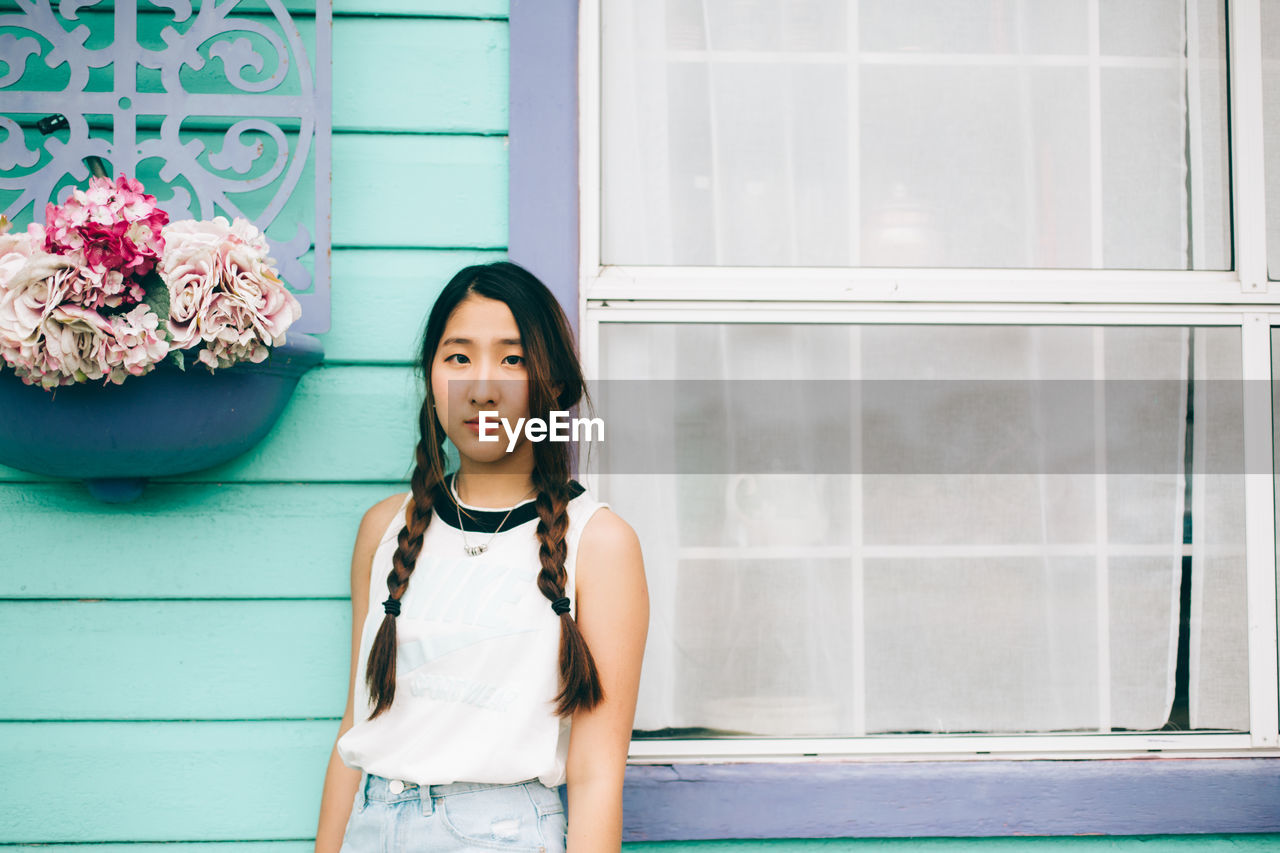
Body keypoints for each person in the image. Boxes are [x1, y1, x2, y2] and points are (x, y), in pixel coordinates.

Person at [313, 261, 648, 852]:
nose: (481, 385)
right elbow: (356, 727)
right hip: (372, 824)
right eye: (458, 357)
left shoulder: (599, 543)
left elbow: (597, 777)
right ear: (432, 377)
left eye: (512, 360)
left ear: (554, 384)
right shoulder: (384, 530)